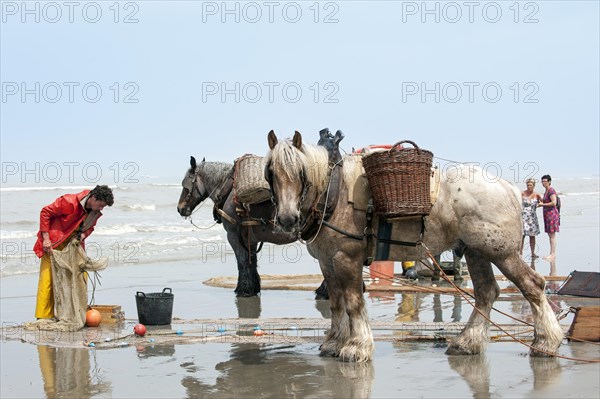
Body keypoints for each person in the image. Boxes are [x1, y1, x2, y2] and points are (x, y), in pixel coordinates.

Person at [33, 185, 114, 319]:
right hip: (54, 243)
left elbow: (90, 227)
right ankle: (43, 317)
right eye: (101, 205)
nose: (101, 209)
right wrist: (46, 239)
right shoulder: (69, 201)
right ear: (93, 198)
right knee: (48, 279)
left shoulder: (94, 212)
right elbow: (45, 212)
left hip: (74, 245)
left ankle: (74, 312)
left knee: (81, 276)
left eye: (103, 207)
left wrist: (83, 235)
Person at [538, 175, 559, 259]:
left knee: (552, 235)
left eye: (545, 181)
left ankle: (553, 254)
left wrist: (542, 204)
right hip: (547, 215)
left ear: (549, 181)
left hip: (552, 215)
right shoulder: (546, 191)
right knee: (550, 235)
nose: (543, 183)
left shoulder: (551, 190)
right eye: (542, 181)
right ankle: (551, 253)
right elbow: (546, 201)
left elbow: (554, 202)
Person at [520, 178, 542, 259]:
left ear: (534, 186)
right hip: (523, 217)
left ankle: (533, 253)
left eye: (530, 185)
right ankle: (520, 253)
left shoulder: (537, 195)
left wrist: (540, 205)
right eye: (528, 185)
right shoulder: (522, 193)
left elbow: (543, 202)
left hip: (532, 218)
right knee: (522, 236)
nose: (529, 186)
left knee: (532, 236)